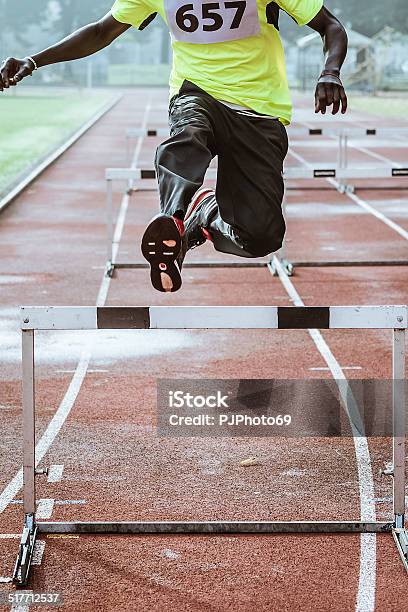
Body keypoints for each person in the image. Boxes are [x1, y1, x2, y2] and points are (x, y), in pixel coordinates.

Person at [0, 1, 348, 292]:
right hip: (196, 92)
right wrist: (33, 61)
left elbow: (330, 26)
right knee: (188, 135)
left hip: (259, 109)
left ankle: (204, 216)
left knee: (261, 237)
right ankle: (174, 217)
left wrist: (330, 71)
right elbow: (100, 32)